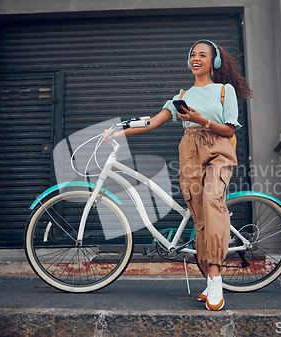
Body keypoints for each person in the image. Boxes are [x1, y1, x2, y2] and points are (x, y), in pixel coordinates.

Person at [114, 40, 252, 311]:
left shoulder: (225, 91)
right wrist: (118, 131)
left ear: (214, 62)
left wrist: (202, 121)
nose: (196, 58)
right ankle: (208, 274)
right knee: (200, 217)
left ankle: (215, 276)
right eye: (192, 55)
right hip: (190, 153)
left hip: (218, 150)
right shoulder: (181, 95)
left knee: (212, 200)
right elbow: (151, 122)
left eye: (203, 55)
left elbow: (229, 130)